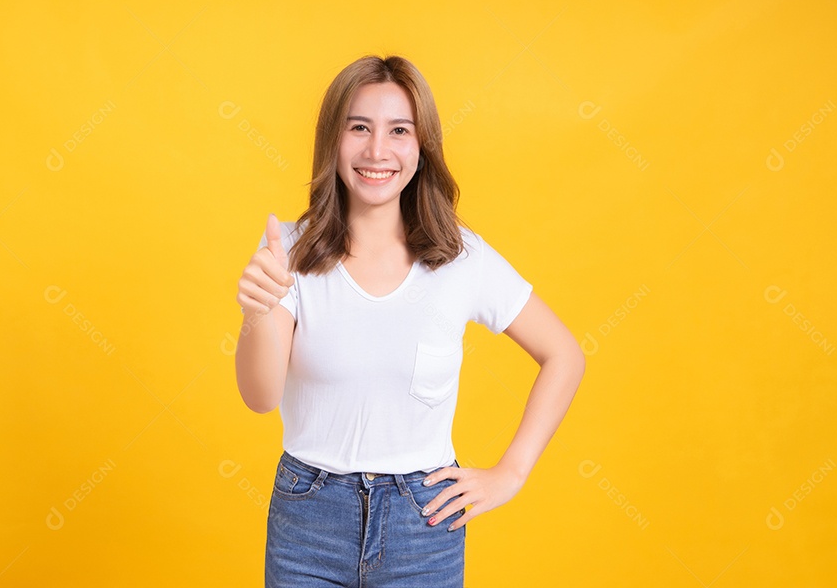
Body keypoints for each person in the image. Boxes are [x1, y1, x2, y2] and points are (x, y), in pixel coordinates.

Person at [235, 54, 585, 587]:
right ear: (333, 139)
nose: (378, 150)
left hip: (423, 523)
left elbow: (564, 355)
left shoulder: (461, 258)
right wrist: (257, 312)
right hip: (308, 518)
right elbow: (260, 397)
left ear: (423, 148)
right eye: (359, 128)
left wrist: (510, 474)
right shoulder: (288, 249)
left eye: (399, 130)